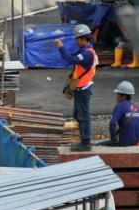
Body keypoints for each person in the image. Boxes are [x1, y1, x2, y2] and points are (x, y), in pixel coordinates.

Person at [54, 24, 97, 152]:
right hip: (80, 88)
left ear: (84, 39)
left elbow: (69, 59)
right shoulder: (84, 51)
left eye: (77, 39)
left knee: (84, 115)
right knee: (77, 114)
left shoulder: (88, 54)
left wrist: (61, 47)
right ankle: (83, 137)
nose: (76, 41)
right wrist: (62, 49)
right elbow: (71, 56)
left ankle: (86, 142)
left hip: (84, 89)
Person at [96, 81, 139, 147]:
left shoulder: (120, 106)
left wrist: (114, 139)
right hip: (135, 142)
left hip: (123, 142)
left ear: (123, 96)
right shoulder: (137, 107)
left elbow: (112, 123)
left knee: (97, 145)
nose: (116, 96)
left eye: (118, 94)